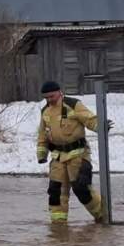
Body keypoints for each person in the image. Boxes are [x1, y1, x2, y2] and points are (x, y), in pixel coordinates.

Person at [36, 81, 112, 223]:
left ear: (59, 92)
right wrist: (41, 154)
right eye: (46, 98)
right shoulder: (45, 111)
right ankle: (58, 226)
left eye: (51, 96)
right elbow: (42, 134)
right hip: (58, 157)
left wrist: (100, 126)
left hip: (78, 154)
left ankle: (103, 216)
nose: (49, 100)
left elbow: (89, 119)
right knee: (55, 191)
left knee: (82, 188)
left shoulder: (73, 104)